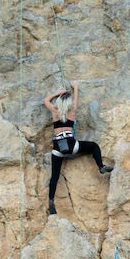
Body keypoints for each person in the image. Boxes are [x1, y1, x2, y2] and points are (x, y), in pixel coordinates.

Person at [43, 81, 113, 215]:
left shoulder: (55, 112)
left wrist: (58, 93)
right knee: (93, 146)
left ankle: (51, 201)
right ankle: (101, 166)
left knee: (54, 176)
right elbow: (75, 100)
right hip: (71, 144)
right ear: (68, 104)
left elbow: (46, 100)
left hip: (58, 146)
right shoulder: (72, 111)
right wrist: (75, 87)